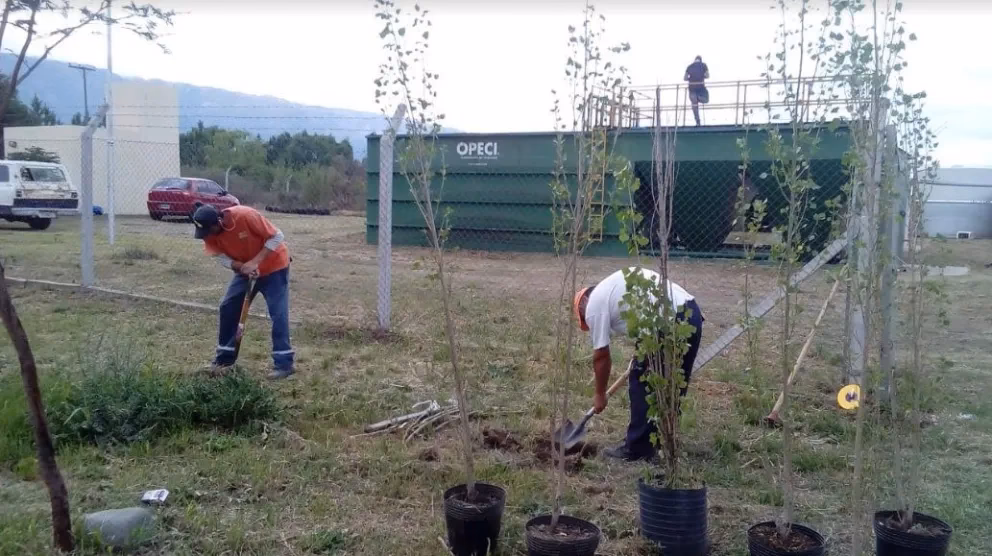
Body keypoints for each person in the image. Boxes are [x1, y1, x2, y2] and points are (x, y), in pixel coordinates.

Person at [573, 268, 704, 462]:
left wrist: (600, 394)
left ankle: (638, 448)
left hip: (667, 323)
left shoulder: (593, 305)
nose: (589, 325)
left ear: (583, 305)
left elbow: (601, 355)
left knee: (642, 382)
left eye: (585, 321)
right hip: (690, 314)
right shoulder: (614, 288)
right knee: (672, 386)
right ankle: (664, 442)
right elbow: (646, 315)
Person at [192, 204, 295, 380]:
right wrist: (241, 267)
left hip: (274, 267)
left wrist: (255, 261)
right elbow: (221, 257)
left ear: (219, 221)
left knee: (278, 314)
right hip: (245, 270)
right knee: (228, 306)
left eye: (210, 230)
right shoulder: (208, 230)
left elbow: (277, 236)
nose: (208, 236)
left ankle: (284, 363)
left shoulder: (245, 216)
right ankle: (224, 360)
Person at [683, 55, 710, 126]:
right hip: (701, 87)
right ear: (700, 60)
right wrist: (701, 76)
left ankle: (698, 122)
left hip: (692, 88)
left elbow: (685, 78)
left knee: (694, 106)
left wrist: (691, 78)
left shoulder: (689, 66)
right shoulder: (704, 65)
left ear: (695, 60)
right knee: (706, 99)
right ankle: (698, 98)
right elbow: (707, 76)